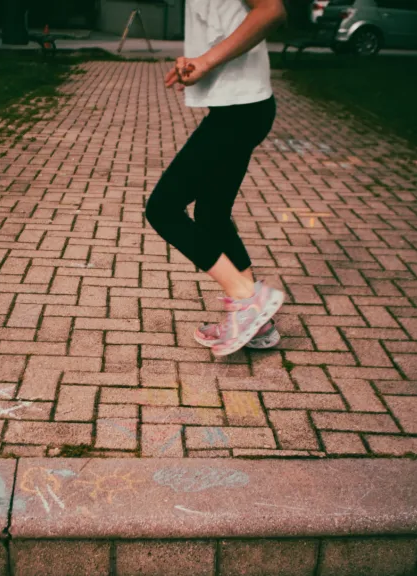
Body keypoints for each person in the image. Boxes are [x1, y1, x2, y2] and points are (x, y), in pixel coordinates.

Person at [146, 0, 287, 357]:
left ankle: (247, 300)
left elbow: (271, 10)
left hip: (241, 113)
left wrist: (206, 61)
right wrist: (195, 62)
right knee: (212, 216)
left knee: (163, 209)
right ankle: (259, 323)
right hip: (239, 109)